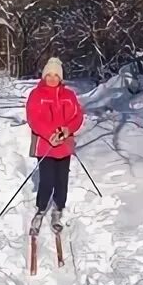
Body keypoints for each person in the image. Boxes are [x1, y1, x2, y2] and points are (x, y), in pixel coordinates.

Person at [25, 57, 84, 233]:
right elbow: (33, 119)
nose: (52, 78)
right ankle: (41, 209)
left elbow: (77, 117)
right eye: (48, 75)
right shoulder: (37, 95)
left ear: (60, 77)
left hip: (64, 146)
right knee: (47, 180)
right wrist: (49, 134)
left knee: (61, 180)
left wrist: (67, 129)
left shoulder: (69, 95)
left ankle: (58, 209)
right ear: (44, 76)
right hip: (45, 146)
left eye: (55, 75)